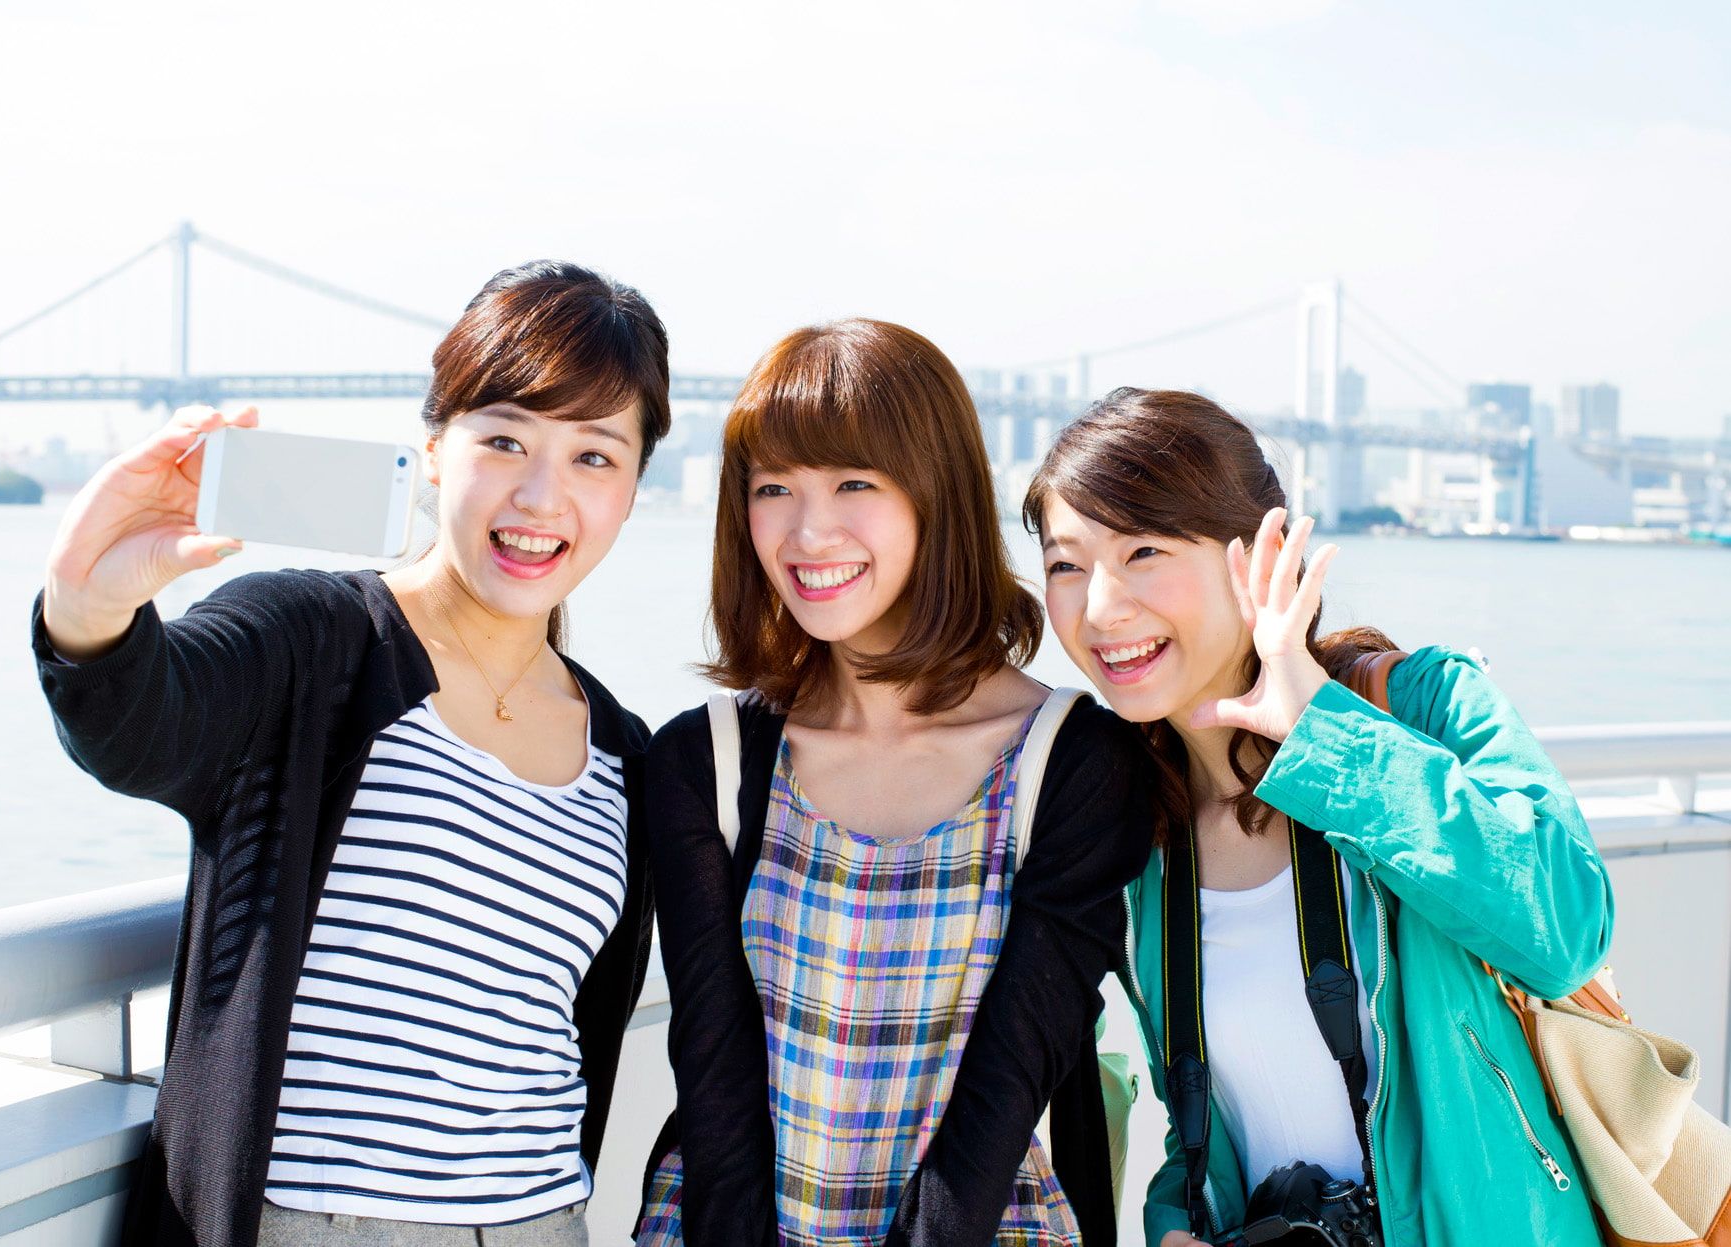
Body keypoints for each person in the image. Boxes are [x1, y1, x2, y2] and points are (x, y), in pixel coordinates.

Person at [34, 261, 672, 1247]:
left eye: (594, 456)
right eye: (503, 439)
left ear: (632, 488)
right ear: (432, 450)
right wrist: (87, 604)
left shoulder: (623, 751)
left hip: (542, 1222)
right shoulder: (314, 639)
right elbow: (143, 726)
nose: (541, 494)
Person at [1024, 387, 1614, 1246]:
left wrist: (1323, 736)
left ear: (1259, 553)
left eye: (1144, 549)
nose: (1101, 607)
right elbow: (1219, 1128)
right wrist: (1173, 1225)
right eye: (1066, 564)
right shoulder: (1138, 831)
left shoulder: (1420, 706)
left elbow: (1564, 928)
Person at [633, 319, 1152, 1247]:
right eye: (773, 488)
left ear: (936, 495)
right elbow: (715, 1091)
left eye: (854, 484)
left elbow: (1001, 1101)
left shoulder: (1074, 762)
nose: (807, 529)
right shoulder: (702, 761)